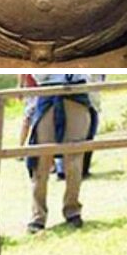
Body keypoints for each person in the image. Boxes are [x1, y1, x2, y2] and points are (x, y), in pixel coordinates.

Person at [26, 73, 99, 234]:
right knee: (41, 160)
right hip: (47, 94)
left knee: (74, 159)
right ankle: (37, 216)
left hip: (77, 92)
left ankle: (72, 210)